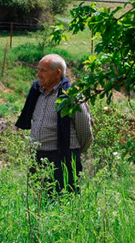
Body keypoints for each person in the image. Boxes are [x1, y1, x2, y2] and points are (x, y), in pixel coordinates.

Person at [16, 53, 93, 194]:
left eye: (43, 70)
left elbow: (85, 132)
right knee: (38, 201)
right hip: (38, 158)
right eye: (38, 70)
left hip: (63, 158)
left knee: (64, 201)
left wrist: (72, 152)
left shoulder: (71, 96)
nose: (38, 74)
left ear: (57, 73)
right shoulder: (36, 93)